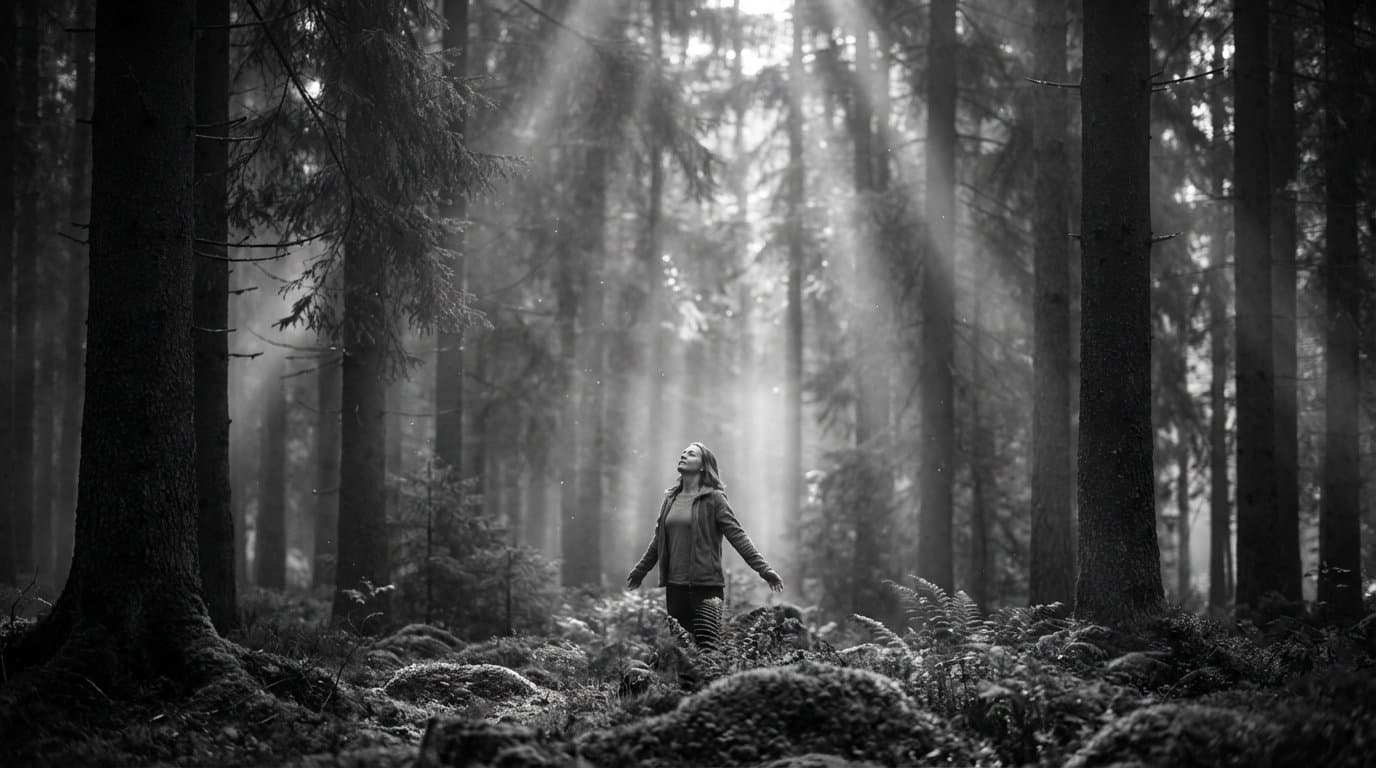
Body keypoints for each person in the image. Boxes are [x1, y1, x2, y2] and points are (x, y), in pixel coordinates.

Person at [625, 442, 783, 648]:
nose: (684, 455)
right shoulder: (671, 499)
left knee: (708, 652)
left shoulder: (714, 499)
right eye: (683, 452)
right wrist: (640, 570)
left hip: (706, 588)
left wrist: (765, 570)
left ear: (702, 466)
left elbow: (737, 536)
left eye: (691, 454)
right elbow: (659, 540)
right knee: (683, 653)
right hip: (675, 588)